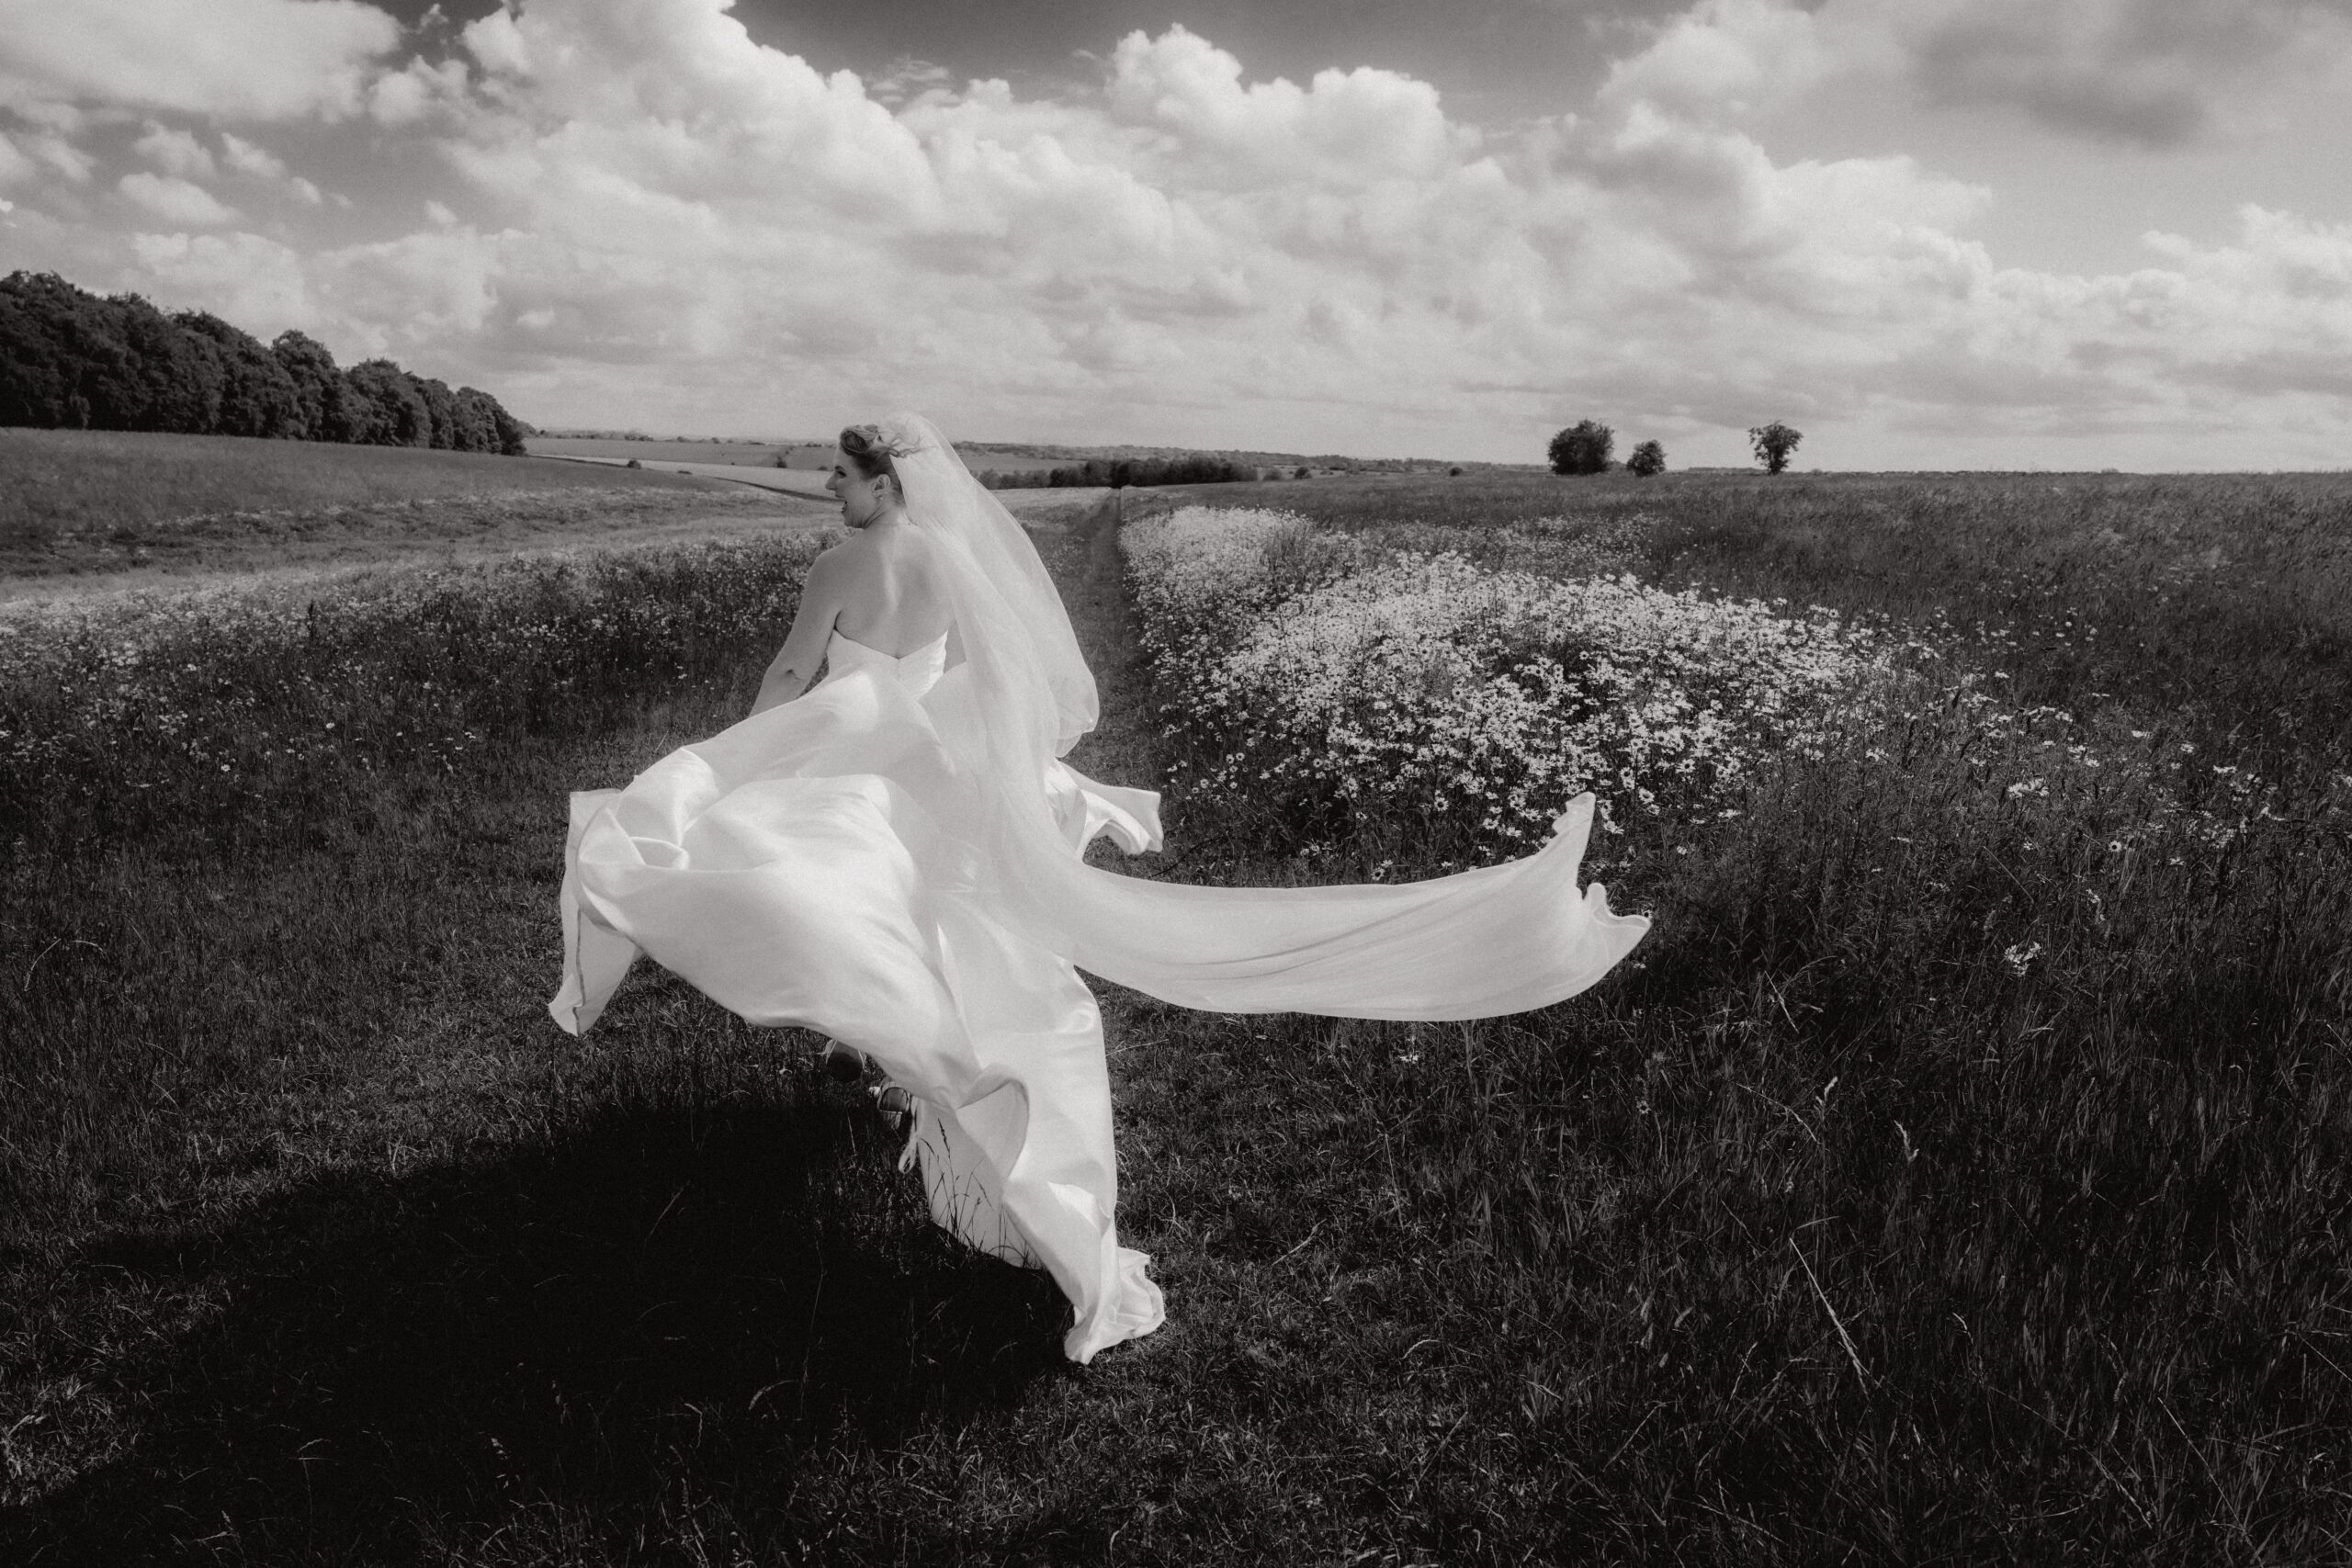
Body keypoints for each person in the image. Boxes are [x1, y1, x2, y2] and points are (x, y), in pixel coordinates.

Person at [551, 413, 1648, 1363]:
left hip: (859, 767)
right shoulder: (954, 557)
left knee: (836, 913)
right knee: (943, 938)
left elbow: (794, 675)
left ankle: (927, 1093)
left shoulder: (841, 570)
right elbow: (1005, 678)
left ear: (883, 482)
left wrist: (742, 749)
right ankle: (921, 1098)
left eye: (840, 475)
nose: (828, 490)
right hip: (940, 766)